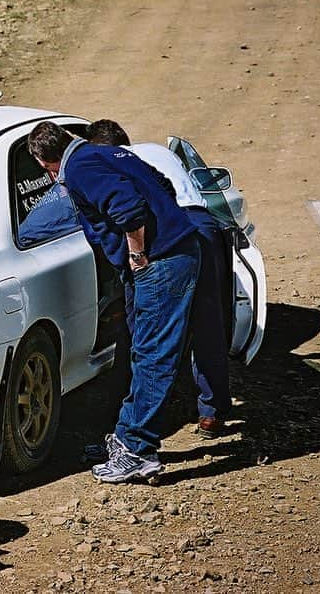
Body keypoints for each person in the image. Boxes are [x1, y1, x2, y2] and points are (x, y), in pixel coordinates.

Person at [27, 121, 199, 483]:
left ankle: (138, 450)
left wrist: (137, 253)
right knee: (143, 348)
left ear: (45, 162)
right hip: (171, 252)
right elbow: (161, 185)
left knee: (153, 353)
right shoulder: (103, 153)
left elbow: (128, 208)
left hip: (160, 261)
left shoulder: (78, 168)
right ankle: (127, 436)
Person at [84, 119, 231, 437]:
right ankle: (213, 411)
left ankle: (146, 418)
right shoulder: (157, 152)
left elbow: (128, 210)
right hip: (204, 226)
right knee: (208, 323)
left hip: (166, 234)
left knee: (147, 337)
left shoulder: (110, 163)